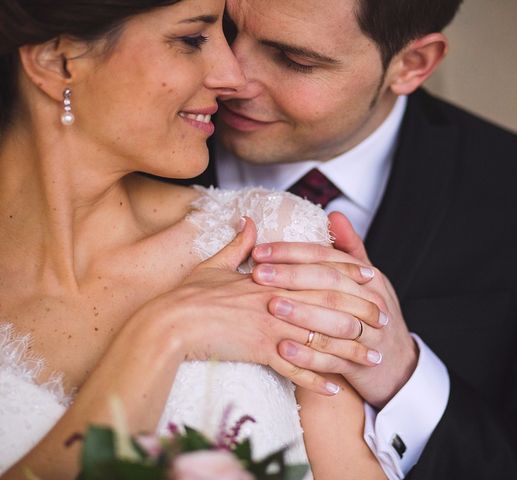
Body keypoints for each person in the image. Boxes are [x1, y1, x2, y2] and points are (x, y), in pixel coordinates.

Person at [181, 0, 517, 478]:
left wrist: (403, 376)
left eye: (295, 60)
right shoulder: (128, 148)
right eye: (224, 29)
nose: (227, 77)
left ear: (412, 65)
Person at [0, 1, 389, 478]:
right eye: (191, 39)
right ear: (59, 61)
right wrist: (166, 331)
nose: (233, 76)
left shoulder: (271, 237)